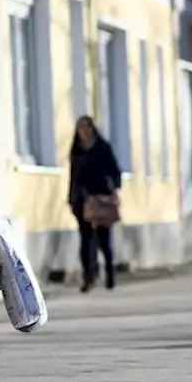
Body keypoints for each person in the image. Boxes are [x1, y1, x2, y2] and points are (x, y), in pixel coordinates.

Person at [68, 116, 122, 292]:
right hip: (81, 200)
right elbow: (73, 176)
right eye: (80, 128)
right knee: (85, 239)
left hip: (101, 198)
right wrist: (71, 198)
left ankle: (109, 273)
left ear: (92, 129)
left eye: (87, 127)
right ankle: (88, 277)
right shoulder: (76, 150)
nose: (84, 131)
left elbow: (114, 170)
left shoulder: (102, 147)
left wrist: (115, 190)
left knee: (104, 239)